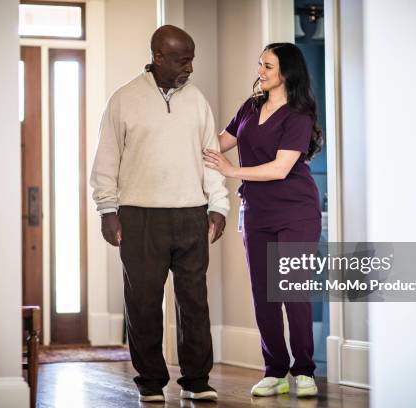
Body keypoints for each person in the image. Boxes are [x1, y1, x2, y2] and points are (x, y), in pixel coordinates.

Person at [90, 25, 229, 403]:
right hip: (140, 216)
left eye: (192, 58)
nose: (190, 67)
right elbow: (106, 160)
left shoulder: (197, 100)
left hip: (191, 215)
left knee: (194, 303)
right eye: (183, 59)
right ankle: (150, 382)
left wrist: (218, 205)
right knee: (144, 304)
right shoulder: (123, 100)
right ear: (158, 56)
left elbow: (210, 158)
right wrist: (107, 209)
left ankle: (198, 380)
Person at [203, 42, 323, 398]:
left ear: (286, 72)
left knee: (291, 289)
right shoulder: (250, 107)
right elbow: (218, 143)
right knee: (263, 294)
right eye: (260, 64)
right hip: (256, 212)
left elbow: (281, 167)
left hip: (296, 210)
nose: (261, 71)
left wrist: (231, 170)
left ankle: (304, 370)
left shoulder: (299, 115)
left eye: (268, 66)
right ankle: (275, 370)